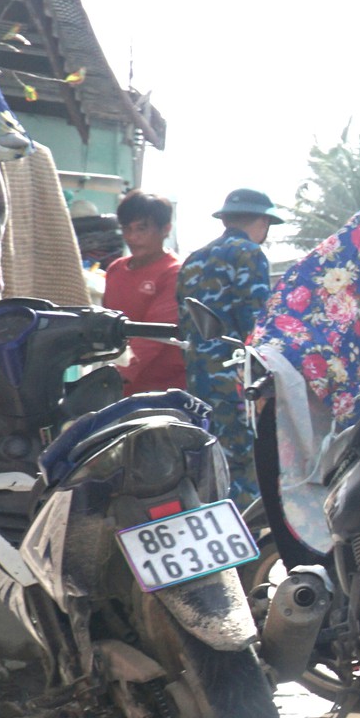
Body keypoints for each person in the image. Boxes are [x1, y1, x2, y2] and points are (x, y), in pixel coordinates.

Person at [177, 189, 277, 509]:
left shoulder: (193, 259)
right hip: (237, 380)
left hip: (198, 380)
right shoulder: (249, 254)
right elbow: (257, 326)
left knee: (212, 463)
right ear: (262, 221)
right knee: (246, 467)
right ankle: (245, 546)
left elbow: (183, 324)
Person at [100, 192, 185, 395]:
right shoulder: (115, 269)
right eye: (126, 229)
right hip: (118, 384)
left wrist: (115, 376)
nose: (132, 237)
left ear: (166, 229)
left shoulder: (175, 272)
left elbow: (153, 335)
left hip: (164, 390)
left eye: (142, 228)